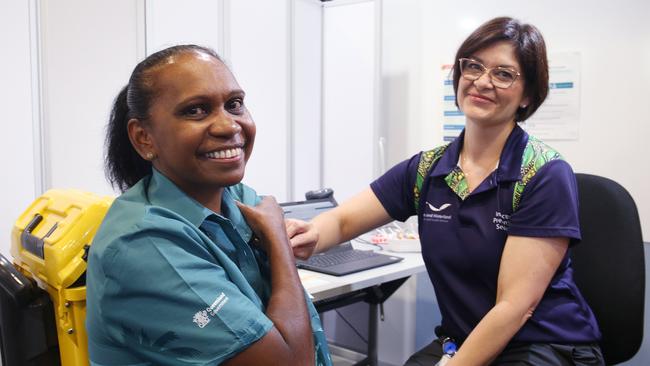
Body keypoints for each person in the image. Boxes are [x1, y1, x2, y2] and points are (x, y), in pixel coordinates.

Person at [288, 17, 603, 365]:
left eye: (503, 74)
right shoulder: (427, 169)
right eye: (474, 66)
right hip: (463, 338)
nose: (482, 82)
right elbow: (345, 221)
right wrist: (310, 234)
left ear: (528, 94)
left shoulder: (542, 173)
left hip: (543, 344)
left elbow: (515, 307)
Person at [85, 44, 331, 366]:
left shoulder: (235, 196)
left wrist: (282, 238)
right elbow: (291, 363)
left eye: (234, 104)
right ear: (144, 138)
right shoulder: (143, 245)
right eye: (196, 110)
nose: (229, 126)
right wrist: (278, 243)